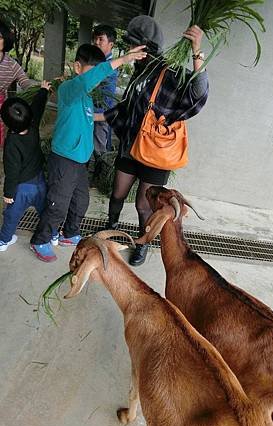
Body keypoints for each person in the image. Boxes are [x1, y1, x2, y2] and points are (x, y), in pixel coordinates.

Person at [102, 16, 209, 266]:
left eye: (132, 45)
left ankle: (142, 243)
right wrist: (100, 116)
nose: (128, 49)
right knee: (117, 192)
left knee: (143, 205)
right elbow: (128, 108)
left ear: (145, 47)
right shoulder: (139, 72)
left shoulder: (169, 72)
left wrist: (197, 51)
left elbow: (198, 93)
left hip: (157, 154)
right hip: (131, 147)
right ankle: (110, 228)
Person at [30, 43, 147, 263]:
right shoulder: (70, 89)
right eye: (92, 71)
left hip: (80, 160)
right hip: (64, 159)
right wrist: (123, 60)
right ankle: (41, 239)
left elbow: (91, 117)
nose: (96, 78)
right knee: (58, 203)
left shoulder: (85, 98)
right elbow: (86, 81)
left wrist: (120, 111)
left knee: (80, 201)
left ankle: (70, 233)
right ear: (77, 67)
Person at [0, 81, 52, 251]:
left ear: (7, 124)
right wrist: (43, 90)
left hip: (21, 187)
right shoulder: (33, 123)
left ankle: (4, 240)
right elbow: (37, 106)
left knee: (12, 215)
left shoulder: (11, 143)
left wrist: (8, 193)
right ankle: (52, 234)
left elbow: (12, 171)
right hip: (39, 181)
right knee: (45, 209)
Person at [89, 24, 118, 183]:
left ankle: (99, 179)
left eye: (101, 39)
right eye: (95, 39)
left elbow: (93, 83)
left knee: (99, 147)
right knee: (90, 143)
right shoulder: (97, 61)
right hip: (92, 111)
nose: (97, 42)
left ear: (111, 44)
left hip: (101, 114)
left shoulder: (110, 66)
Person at [0, 20, 31, 147]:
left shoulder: (11, 65)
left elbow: (25, 82)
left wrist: (40, 90)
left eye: (0, 37)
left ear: (5, 40)